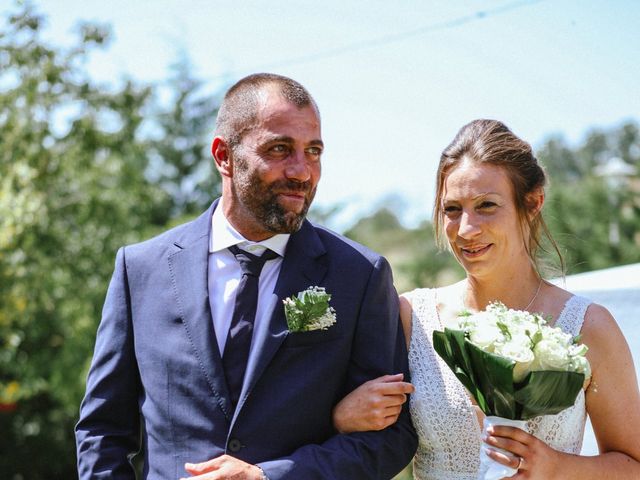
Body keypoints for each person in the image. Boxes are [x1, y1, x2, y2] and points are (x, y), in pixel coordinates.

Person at [75, 73, 417, 480]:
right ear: (224, 156)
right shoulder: (141, 269)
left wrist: (270, 477)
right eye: (280, 149)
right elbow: (102, 431)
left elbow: (391, 437)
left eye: (313, 152)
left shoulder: (360, 276)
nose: (303, 172)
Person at [332, 119, 640, 479]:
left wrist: (556, 467)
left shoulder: (589, 326)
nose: (466, 229)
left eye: (487, 205)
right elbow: (368, 441)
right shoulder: (409, 317)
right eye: (452, 209)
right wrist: (340, 417)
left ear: (533, 202)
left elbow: (633, 465)